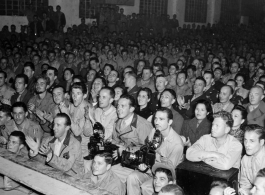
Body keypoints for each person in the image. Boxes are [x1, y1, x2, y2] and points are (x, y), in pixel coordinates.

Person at [26, 113, 85, 178]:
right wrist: (35, 153)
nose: (54, 128)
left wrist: (49, 154)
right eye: (54, 124)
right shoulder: (47, 140)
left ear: (67, 128)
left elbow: (66, 166)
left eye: (58, 125)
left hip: (72, 179)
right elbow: (43, 162)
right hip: (53, 176)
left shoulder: (74, 144)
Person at [238, 124, 265, 195]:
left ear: (261, 142)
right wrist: (245, 192)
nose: (246, 144)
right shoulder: (245, 159)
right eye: (245, 140)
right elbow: (244, 184)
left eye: (252, 141)